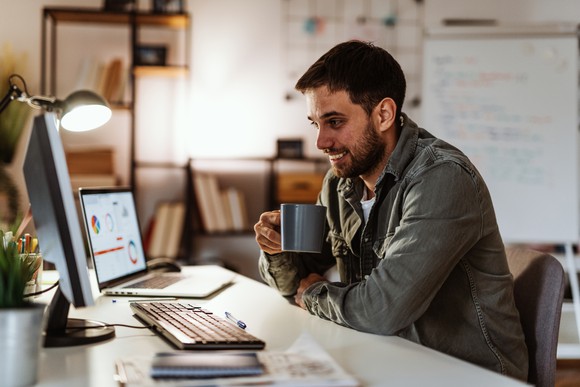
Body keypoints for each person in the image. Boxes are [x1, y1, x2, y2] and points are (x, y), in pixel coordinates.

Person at [254, 40, 528, 381]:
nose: (321, 142)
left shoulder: (442, 179)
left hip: (465, 374)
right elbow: (294, 282)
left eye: (335, 122)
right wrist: (278, 249)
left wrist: (312, 294)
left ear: (383, 114)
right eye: (316, 124)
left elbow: (380, 310)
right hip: (388, 357)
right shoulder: (341, 184)